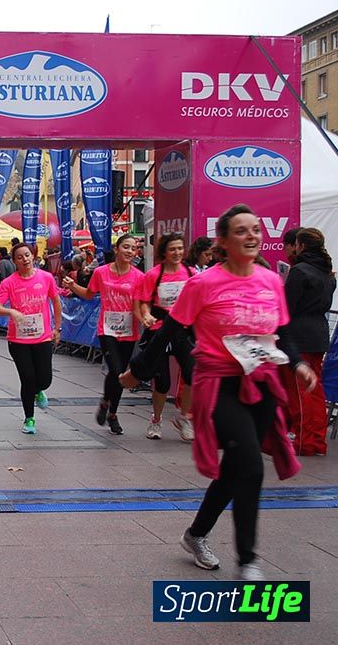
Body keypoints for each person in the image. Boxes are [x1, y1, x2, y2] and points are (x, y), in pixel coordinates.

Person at [120, 204, 315, 580]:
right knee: (252, 468)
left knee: (235, 468)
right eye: (242, 231)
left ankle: (195, 534)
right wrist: (138, 371)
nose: (253, 236)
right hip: (219, 382)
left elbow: (284, 331)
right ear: (223, 242)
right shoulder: (203, 283)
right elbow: (169, 330)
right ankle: (249, 559)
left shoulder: (270, 280)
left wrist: (299, 363)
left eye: (256, 229)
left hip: (260, 382)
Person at [63, 235, 144, 435]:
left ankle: (109, 408)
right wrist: (72, 286)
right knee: (116, 371)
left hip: (129, 331)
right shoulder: (100, 272)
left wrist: (145, 317)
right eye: (126, 247)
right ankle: (111, 411)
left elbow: (141, 303)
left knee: (121, 376)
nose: (129, 251)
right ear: (117, 249)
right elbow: (89, 295)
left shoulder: (139, 276)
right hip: (107, 330)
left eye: (133, 249)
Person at [0, 242, 62, 434]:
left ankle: (39, 390)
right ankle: (29, 419)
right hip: (18, 340)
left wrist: (57, 328)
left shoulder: (46, 277)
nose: (25, 259)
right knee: (27, 378)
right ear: (14, 261)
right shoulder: (9, 283)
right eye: (20, 257)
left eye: (27, 255)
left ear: (33, 256)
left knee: (45, 379)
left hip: (43, 337)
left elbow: (56, 301)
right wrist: (11, 311)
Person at [135, 232, 195, 442]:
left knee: (192, 374)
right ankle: (156, 419)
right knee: (162, 382)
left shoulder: (190, 272)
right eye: (172, 249)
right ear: (164, 252)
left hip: (183, 330)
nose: (177, 252)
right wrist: (147, 315)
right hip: (160, 331)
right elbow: (143, 301)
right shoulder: (154, 275)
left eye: (180, 248)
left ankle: (184, 417)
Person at [281, 227, 335, 456]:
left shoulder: (300, 271)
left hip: (299, 335)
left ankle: (305, 440)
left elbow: (288, 306)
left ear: (301, 245)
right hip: (319, 333)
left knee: (300, 391)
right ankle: (315, 439)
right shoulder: (328, 273)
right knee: (315, 390)